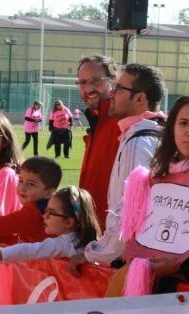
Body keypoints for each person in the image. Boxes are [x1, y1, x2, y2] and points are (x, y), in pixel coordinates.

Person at [120, 95, 189, 293]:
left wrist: (180, 266)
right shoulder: (151, 179)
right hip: (145, 293)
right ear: (172, 128)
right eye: (183, 123)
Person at [69, 63, 166, 274]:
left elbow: (128, 218)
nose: (112, 93)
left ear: (140, 98)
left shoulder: (138, 141)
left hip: (130, 263)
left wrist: (91, 254)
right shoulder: (153, 134)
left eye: (120, 88)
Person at [0, 186, 100, 265]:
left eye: (51, 213)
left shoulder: (66, 244)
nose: (44, 216)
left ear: (68, 222)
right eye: (45, 211)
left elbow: (31, 250)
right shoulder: (78, 241)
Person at [76, 55, 122, 229]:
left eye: (96, 80)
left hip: (113, 234)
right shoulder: (97, 120)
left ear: (114, 81)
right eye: (82, 82)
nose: (88, 88)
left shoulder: (122, 121)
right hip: (91, 229)